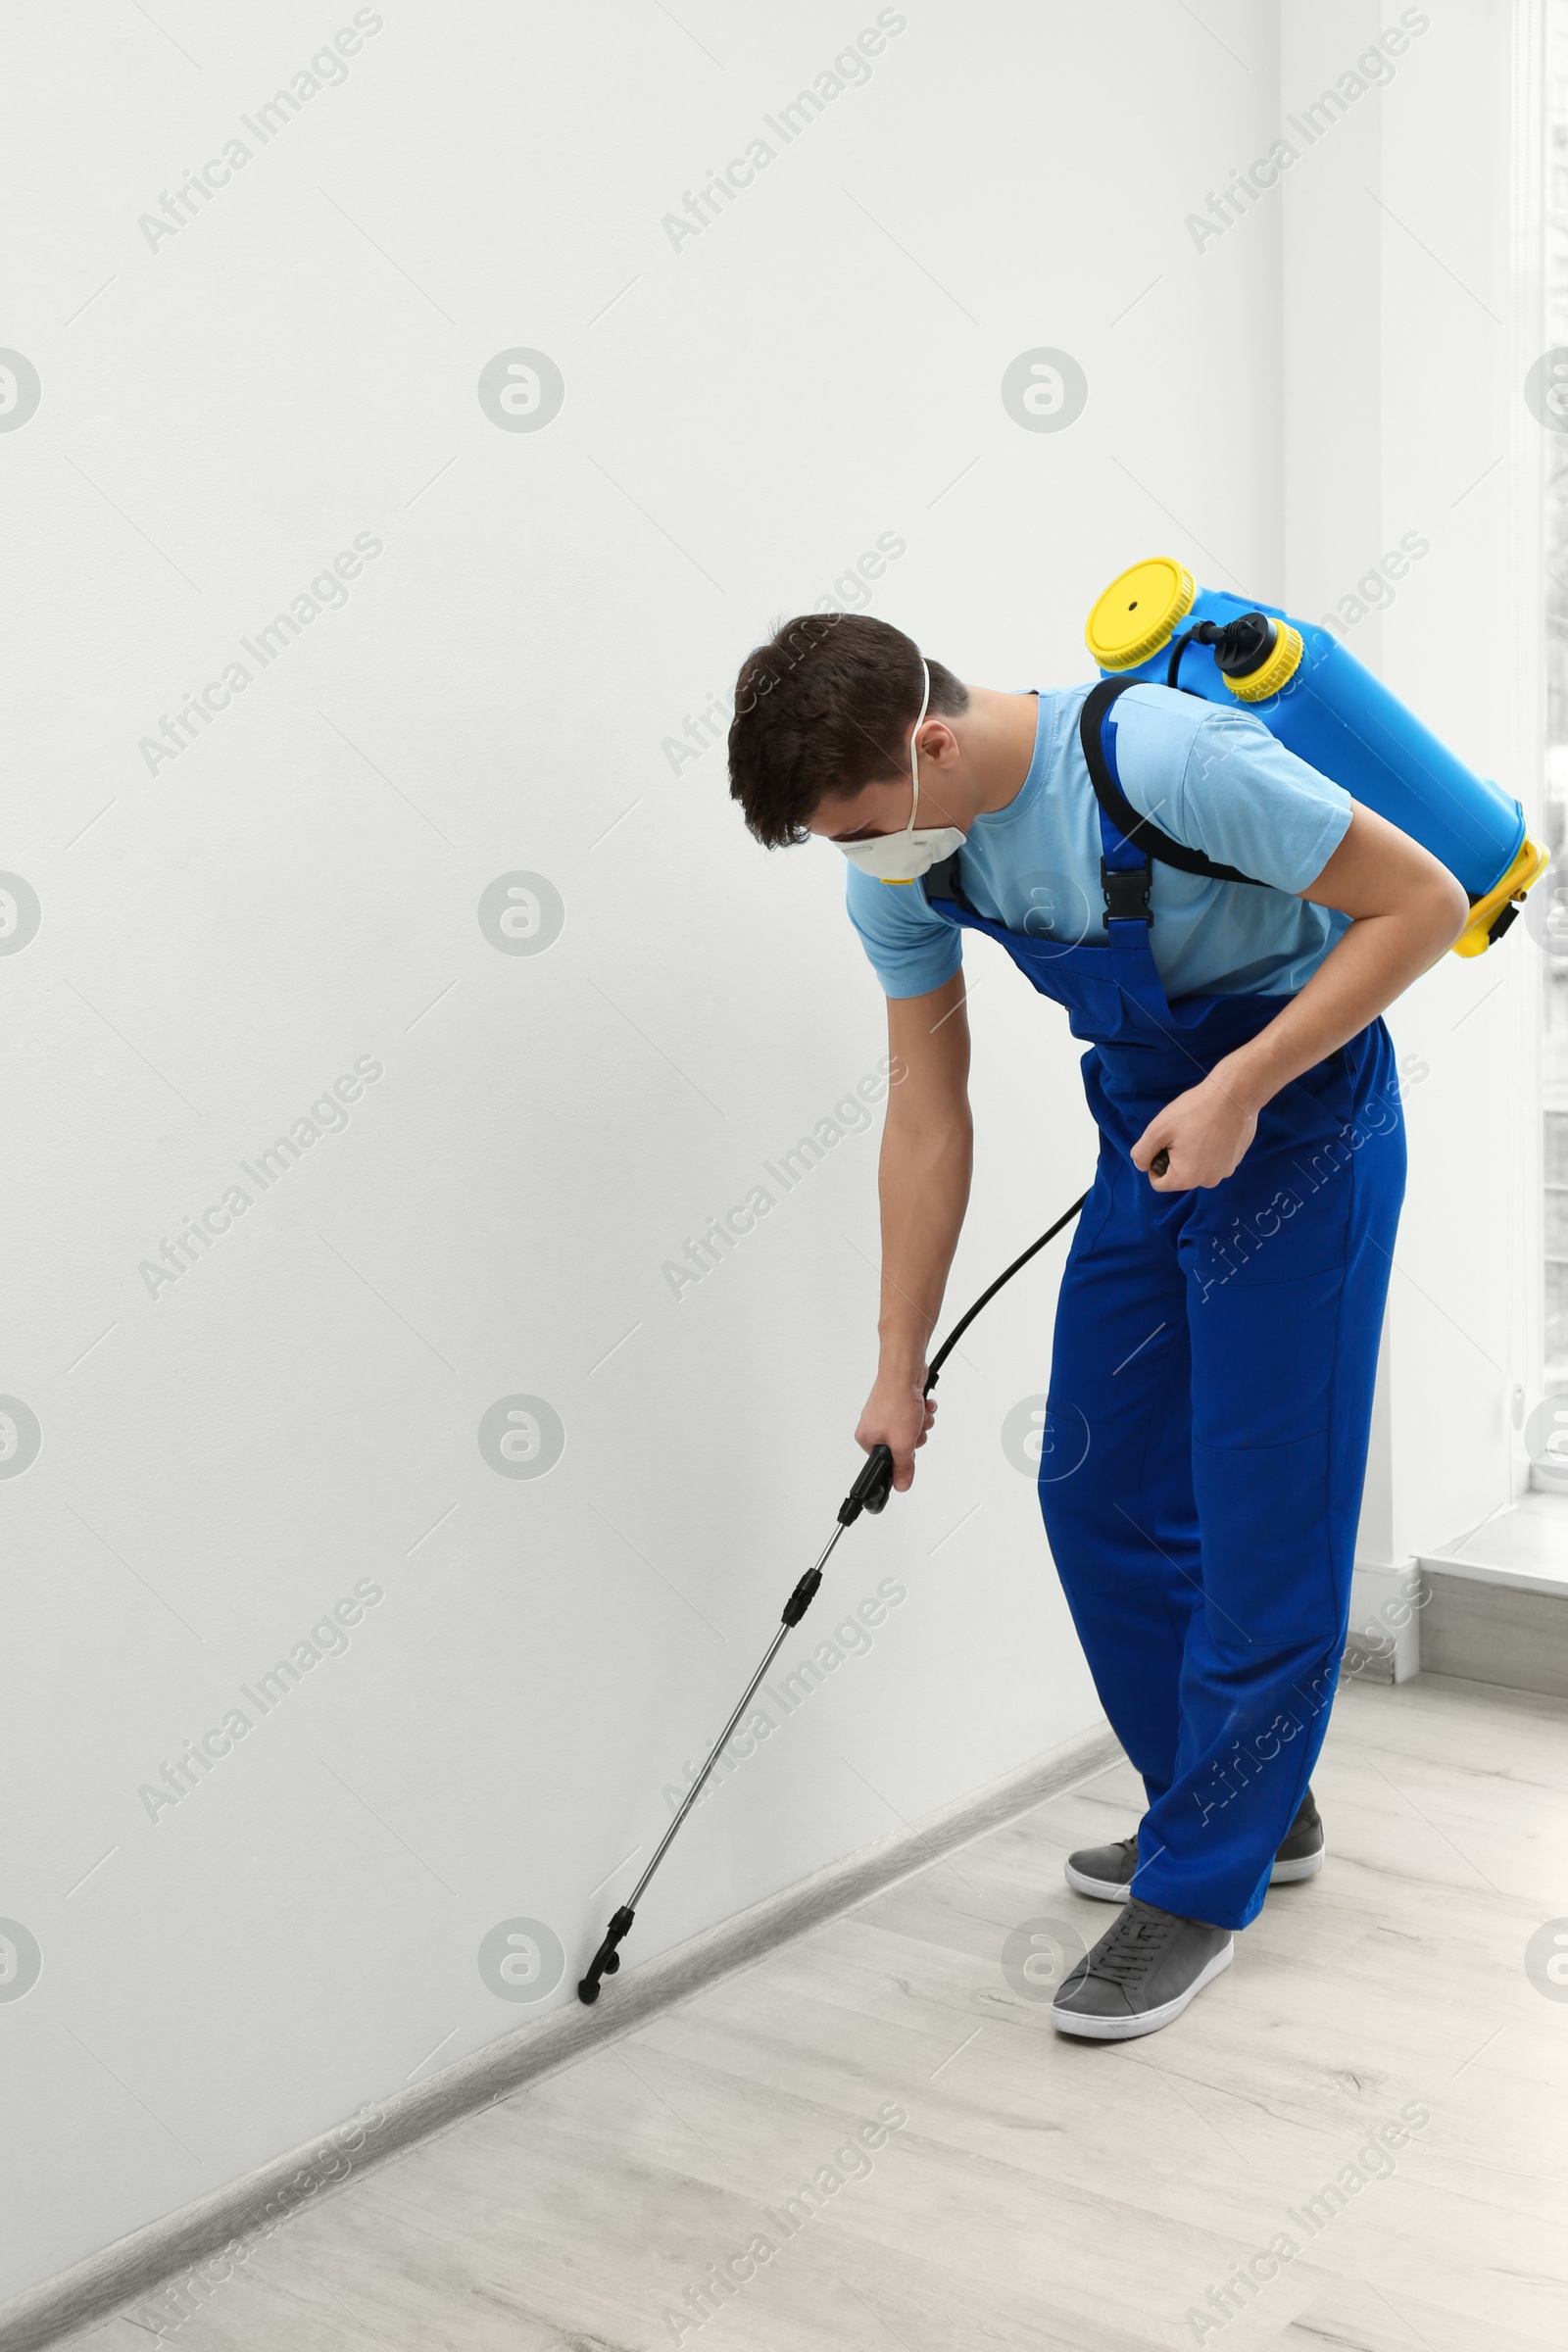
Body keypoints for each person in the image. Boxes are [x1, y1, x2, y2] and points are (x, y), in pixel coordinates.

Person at [724, 610, 1466, 2040]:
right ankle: (1239, 1801)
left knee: (1264, 1510)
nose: (864, 860)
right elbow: (926, 1117)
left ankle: (1196, 1888)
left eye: (865, 824)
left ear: (931, 742)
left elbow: (1420, 904)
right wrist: (895, 1368)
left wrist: (1246, 1083)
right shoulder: (906, 875)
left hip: (1299, 1123)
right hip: (1146, 1141)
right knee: (1096, 1486)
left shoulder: (1167, 760)